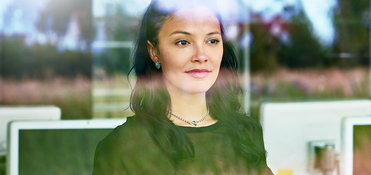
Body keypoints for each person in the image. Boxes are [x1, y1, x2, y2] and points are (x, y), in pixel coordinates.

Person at [92, 0, 271, 174]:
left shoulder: (246, 133)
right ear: (154, 52)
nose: (201, 56)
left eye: (212, 41)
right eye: (183, 42)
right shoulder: (123, 147)